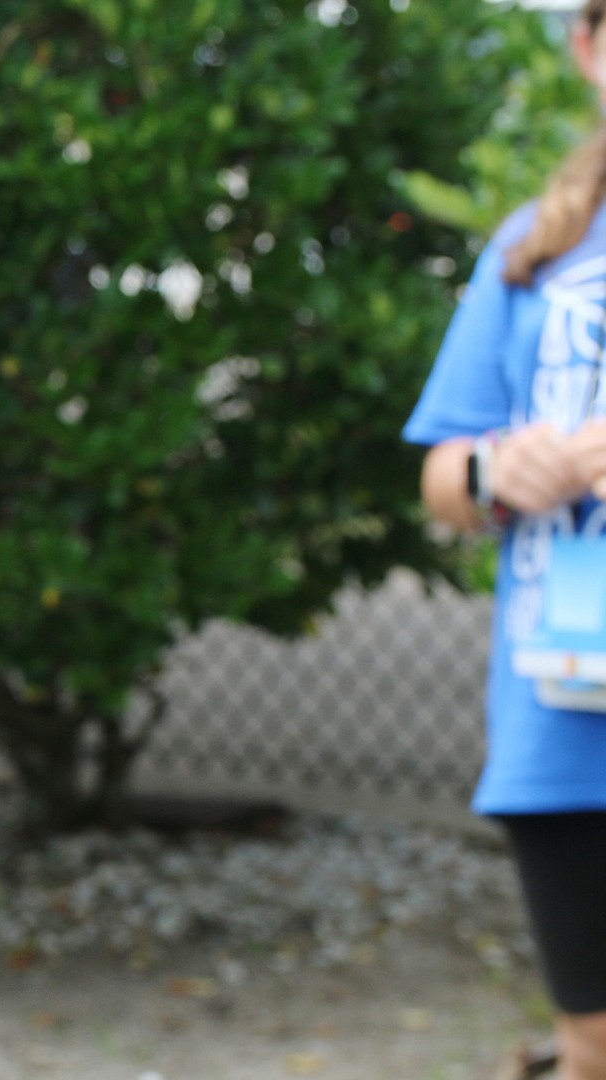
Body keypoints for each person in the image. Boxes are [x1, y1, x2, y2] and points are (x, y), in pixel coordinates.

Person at [407, 3, 606, 1076]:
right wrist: (498, 469)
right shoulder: (533, 248)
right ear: (586, 49)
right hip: (572, 718)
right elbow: (442, 475)